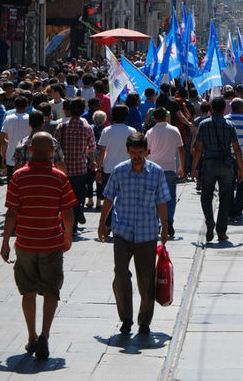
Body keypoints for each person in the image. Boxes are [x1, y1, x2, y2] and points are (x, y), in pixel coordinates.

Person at [1, 133, 76, 360]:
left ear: (30, 150)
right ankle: (45, 334)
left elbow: (11, 212)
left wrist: (5, 241)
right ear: (52, 151)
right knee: (51, 290)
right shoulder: (59, 178)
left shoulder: (18, 177)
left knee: (28, 290)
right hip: (51, 241)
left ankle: (32, 336)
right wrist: (68, 235)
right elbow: (68, 210)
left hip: (25, 242)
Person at [98, 132, 170, 336]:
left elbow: (161, 202)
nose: (137, 156)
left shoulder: (156, 172)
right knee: (120, 274)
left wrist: (164, 227)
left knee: (146, 279)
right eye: (133, 153)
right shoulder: (119, 171)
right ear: (128, 152)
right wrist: (102, 222)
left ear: (147, 151)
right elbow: (109, 197)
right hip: (122, 231)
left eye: (140, 152)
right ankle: (126, 318)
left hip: (147, 234)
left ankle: (144, 320)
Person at [191, 96, 243, 243]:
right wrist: (240, 168)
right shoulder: (230, 125)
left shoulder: (204, 124)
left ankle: (209, 220)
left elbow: (198, 149)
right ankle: (221, 231)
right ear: (224, 109)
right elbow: (237, 148)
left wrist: (194, 168)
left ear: (212, 109)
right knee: (225, 198)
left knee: (206, 196)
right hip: (226, 165)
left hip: (209, 164)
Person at [55, 96, 96, 234]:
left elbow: (55, 146)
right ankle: (73, 227)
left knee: (63, 198)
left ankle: (62, 224)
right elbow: (92, 147)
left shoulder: (62, 127)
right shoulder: (86, 127)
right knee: (77, 199)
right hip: (80, 168)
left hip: (63, 169)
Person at [145, 105, 185, 238]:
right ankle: (169, 220)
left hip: (153, 168)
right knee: (170, 197)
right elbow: (181, 150)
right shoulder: (174, 130)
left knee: (155, 197)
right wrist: (182, 167)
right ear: (166, 116)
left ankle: (156, 223)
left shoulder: (150, 132)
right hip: (169, 168)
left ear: (154, 118)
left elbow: (146, 151)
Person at [13, 110, 66, 174]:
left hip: (28, 181)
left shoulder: (21, 144)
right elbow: (60, 164)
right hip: (49, 180)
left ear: (29, 124)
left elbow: (17, 167)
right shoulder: (53, 142)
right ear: (43, 123)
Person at [0, 96, 30, 182]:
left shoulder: (8, 118)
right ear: (26, 106)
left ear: (15, 106)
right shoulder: (29, 118)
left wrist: (4, 152)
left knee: (11, 181)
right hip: (26, 156)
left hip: (11, 156)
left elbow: (2, 137)